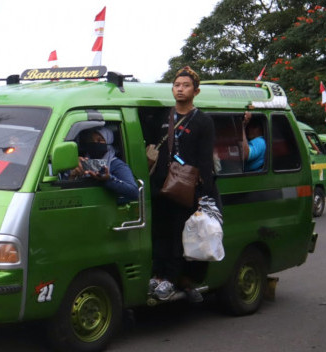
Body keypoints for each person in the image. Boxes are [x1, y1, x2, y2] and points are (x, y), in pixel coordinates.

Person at [149, 66, 220, 303]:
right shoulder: (163, 116)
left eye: (186, 85)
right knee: (160, 233)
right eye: (177, 85)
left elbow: (205, 160)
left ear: (196, 91)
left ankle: (171, 279)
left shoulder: (203, 121)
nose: (180, 89)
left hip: (186, 189)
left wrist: (205, 195)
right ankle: (157, 275)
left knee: (179, 237)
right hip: (160, 187)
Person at [67, 126, 139, 203]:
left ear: (108, 143)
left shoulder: (116, 164)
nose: (94, 143)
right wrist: (73, 175)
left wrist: (108, 179)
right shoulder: (82, 162)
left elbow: (134, 192)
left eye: (99, 140)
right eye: (91, 140)